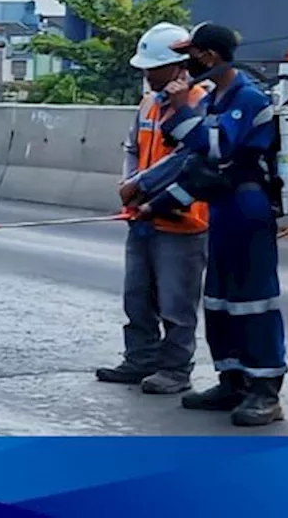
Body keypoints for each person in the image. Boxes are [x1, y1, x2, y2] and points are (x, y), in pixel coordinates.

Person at [126, 23, 287, 427]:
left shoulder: (246, 98)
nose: (186, 64)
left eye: (191, 55)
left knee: (254, 301)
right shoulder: (218, 98)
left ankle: (265, 390)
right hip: (222, 206)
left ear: (209, 57)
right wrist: (157, 206)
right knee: (220, 300)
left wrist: (180, 108)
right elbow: (200, 171)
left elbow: (216, 149)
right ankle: (231, 379)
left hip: (248, 209)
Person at [96, 22, 210, 395]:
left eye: (153, 67)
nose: (146, 74)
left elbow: (187, 156)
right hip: (141, 216)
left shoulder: (200, 102)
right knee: (137, 295)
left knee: (177, 303)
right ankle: (140, 359)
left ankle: (176, 369)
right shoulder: (148, 103)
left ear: (179, 66)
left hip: (181, 220)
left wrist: (140, 185)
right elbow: (131, 148)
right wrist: (126, 185)